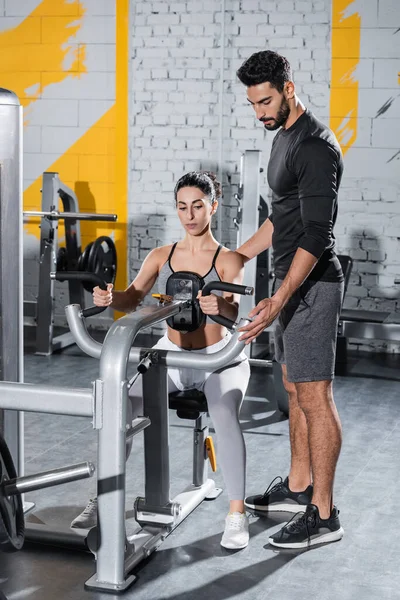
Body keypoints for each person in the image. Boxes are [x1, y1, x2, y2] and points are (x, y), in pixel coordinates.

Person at [70, 171, 251, 550]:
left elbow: (235, 314)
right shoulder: (161, 256)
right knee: (121, 407)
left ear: (213, 207)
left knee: (222, 412)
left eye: (198, 206)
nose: (190, 215)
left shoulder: (229, 259)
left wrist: (221, 306)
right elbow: (131, 298)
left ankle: (236, 513)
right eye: (183, 207)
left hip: (219, 360)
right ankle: (101, 499)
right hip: (171, 357)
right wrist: (109, 298)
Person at [235, 50, 345, 549]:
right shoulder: (282, 138)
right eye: (254, 103)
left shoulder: (316, 146)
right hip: (291, 285)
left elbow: (318, 233)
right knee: (294, 388)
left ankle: (323, 515)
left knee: (315, 397)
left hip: (313, 286)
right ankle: (299, 486)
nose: (260, 111)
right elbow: (283, 217)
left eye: (267, 100)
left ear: (289, 87)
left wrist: (279, 298)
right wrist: (240, 254)